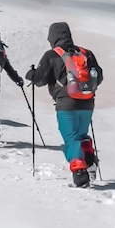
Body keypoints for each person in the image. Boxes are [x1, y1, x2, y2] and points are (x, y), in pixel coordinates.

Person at [27, 22, 103, 188]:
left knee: (71, 139)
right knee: (81, 135)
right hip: (87, 103)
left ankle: (80, 174)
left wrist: (31, 74)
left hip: (66, 104)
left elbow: (39, 79)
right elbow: (100, 76)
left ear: (52, 37)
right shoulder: (85, 53)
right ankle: (89, 158)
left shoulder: (52, 55)